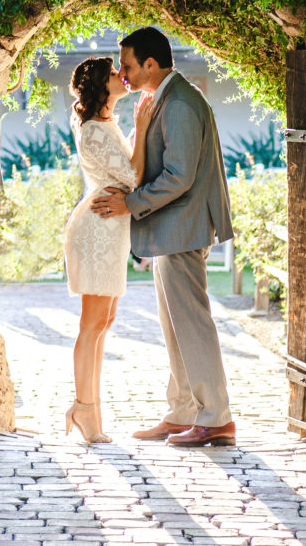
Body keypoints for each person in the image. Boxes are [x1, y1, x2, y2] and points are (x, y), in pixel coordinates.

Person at [91, 27, 236, 447]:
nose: (123, 73)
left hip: (183, 229)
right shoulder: (163, 99)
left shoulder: (181, 104)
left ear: (151, 64)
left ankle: (216, 418)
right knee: (175, 326)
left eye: (128, 65)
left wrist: (129, 203)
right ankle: (183, 412)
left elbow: (179, 176)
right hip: (170, 231)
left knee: (192, 323)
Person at [64, 55, 154, 443]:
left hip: (111, 229)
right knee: (92, 324)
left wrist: (134, 131)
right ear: (102, 85)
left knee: (104, 321)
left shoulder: (105, 124)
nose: (123, 76)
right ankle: (84, 409)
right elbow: (133, 176)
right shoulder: (94, 130)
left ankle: (89, 409)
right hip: (97, 230)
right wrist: (142, 128)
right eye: (115, 73)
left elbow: (125, 169)